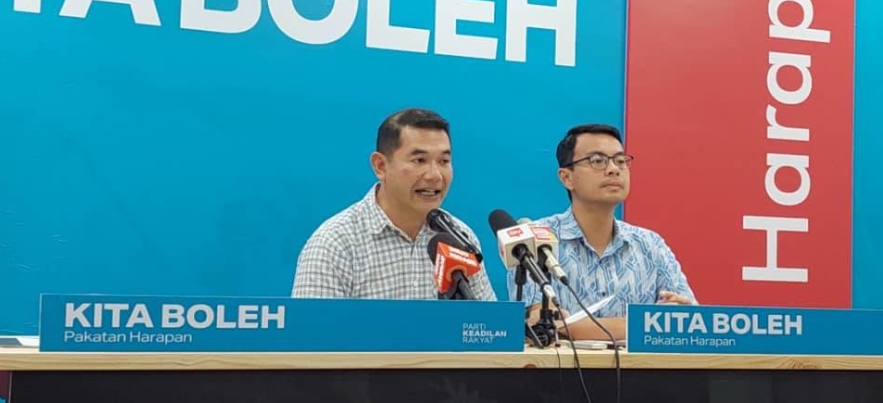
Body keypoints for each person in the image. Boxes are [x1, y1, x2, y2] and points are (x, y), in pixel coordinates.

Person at [508, 124, 696, 341]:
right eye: (598, 161)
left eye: (620, 160)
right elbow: (542, 326)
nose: (614, 169)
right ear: (566, 178)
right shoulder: (534, 240)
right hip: (560, 373)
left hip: (643, 373)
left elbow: (687, 323)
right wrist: (651, 324)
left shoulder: (650, 244)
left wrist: (674, 318)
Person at [292, 108, 497, 301]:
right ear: (380, 166)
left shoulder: (459, 238)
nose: (435, 175)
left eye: (443, 161)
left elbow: (488, 329)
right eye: (419, 160)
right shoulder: (335, 244)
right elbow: (309, 335)